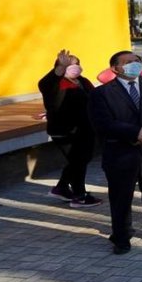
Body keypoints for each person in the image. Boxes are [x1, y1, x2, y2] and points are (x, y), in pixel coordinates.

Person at [88, 51, 142, 254]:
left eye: (137, 61)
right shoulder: (102, 93)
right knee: (121, 196)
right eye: (128, 62)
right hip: (120, 151)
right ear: (115, 68)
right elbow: (103, 123)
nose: (134, 65)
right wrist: (136, 132)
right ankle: (121, 235)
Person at [38, 49, 101, 208]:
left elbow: (95, 98)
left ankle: (62, 188)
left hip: (85, 128)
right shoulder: (54, 83)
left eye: (76, 65)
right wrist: (59, 69)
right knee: (78, 161)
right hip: (64, 130)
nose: (74, 68)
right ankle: (79, 195)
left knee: (80, 160)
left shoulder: (82, 81)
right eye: (68, 65)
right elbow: (47, 85)